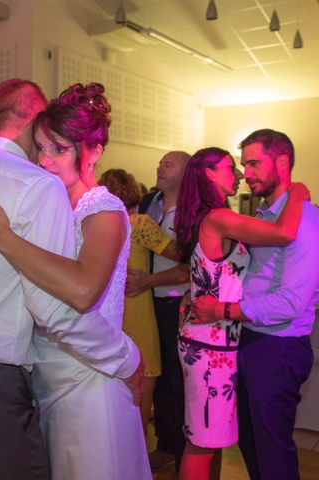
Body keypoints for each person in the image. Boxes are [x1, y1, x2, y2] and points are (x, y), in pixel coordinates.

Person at [0, 83, 149, 479]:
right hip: (44, 373)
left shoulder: (105, 211)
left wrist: (4, 239)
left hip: (91, 377)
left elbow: (82, 291)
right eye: (40, 147)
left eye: (59, 149)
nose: (44, 160)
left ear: (93, 151)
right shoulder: (50, 201)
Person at [191, 130, 319, 480]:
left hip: (277, 347)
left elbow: (291, 301)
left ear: (281, 162)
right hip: (249, 340)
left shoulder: (305, 219)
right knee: (251, 446)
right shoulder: (265, 217)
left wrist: (221, 311)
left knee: (272, 453)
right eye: (244, 164)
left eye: (253, 163)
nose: (246, 172)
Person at [99, 168, 181, 441]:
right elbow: (182, 255)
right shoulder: (140, 224)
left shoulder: (94, 223)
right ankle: (139, 457)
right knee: (142, 391)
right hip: (139, 312)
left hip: (107, 317)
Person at [131, 150, 191, 471]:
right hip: (148, 301)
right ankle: (166, 445)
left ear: (186, 172)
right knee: (156, 375)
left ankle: (182, 453)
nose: (159, 167)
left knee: (174, 382)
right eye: (159, 163)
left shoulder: (193, 212)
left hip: (176, 302)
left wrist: (150, 280)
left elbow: (191, 263)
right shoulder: (148, 204)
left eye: (168, 164)